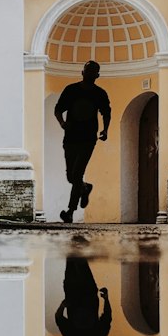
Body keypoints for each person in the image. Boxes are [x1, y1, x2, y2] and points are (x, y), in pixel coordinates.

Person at [54, 60, 111, 223]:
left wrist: (105, 129)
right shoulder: (71, 90)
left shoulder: (100, 93)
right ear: (82, 72)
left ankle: (70, 211)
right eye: (88, 70)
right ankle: (85, 188)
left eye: (93, 71)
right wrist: (63, 123)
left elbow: (106, 112)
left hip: (88, 139)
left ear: (97, 75)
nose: (90, 74)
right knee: (71, 177)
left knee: (77, 173)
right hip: (70, 138)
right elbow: (58, 109)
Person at [55, 256, 111, 336]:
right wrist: (106, 299)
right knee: (76, 260)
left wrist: (63, 305)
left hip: (78, 291)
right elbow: (107, 316)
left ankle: (75, 242)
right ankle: (75, 242)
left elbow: (58, 318)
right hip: (82, 291)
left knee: (75, 260)